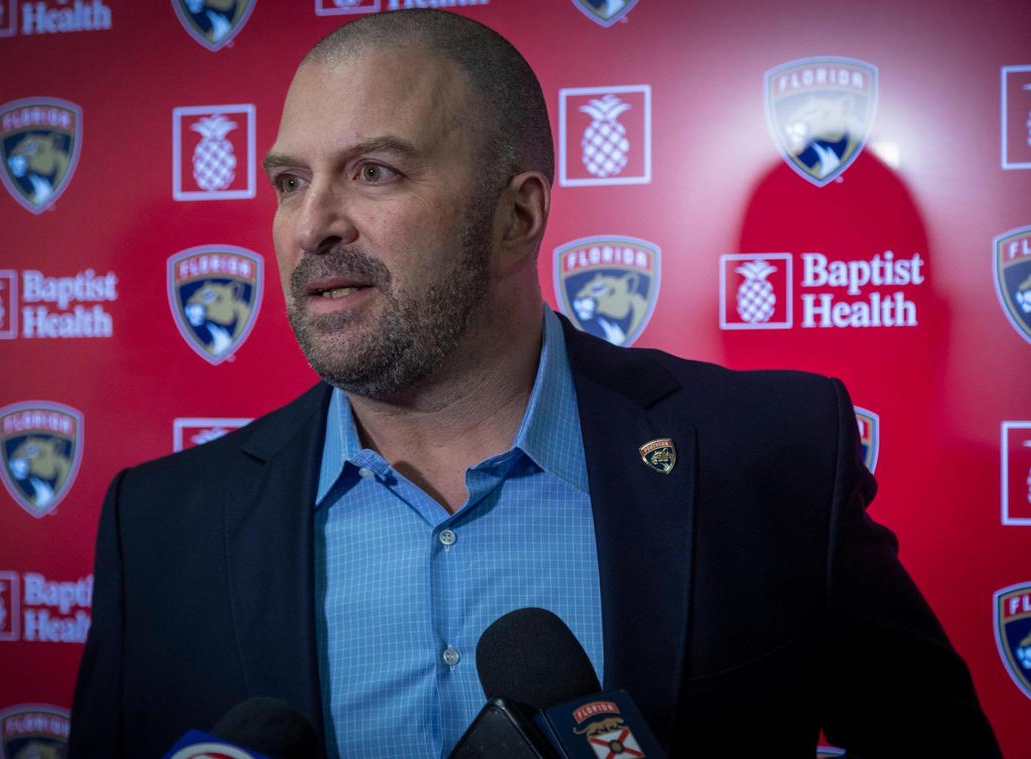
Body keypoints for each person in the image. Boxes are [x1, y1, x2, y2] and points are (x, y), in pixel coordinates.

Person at [68, 9, 1001, 758]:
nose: (311, 226)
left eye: (374, 172)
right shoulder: (158, 529)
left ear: (519, 215)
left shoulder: (769, 457)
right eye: (286, 181)